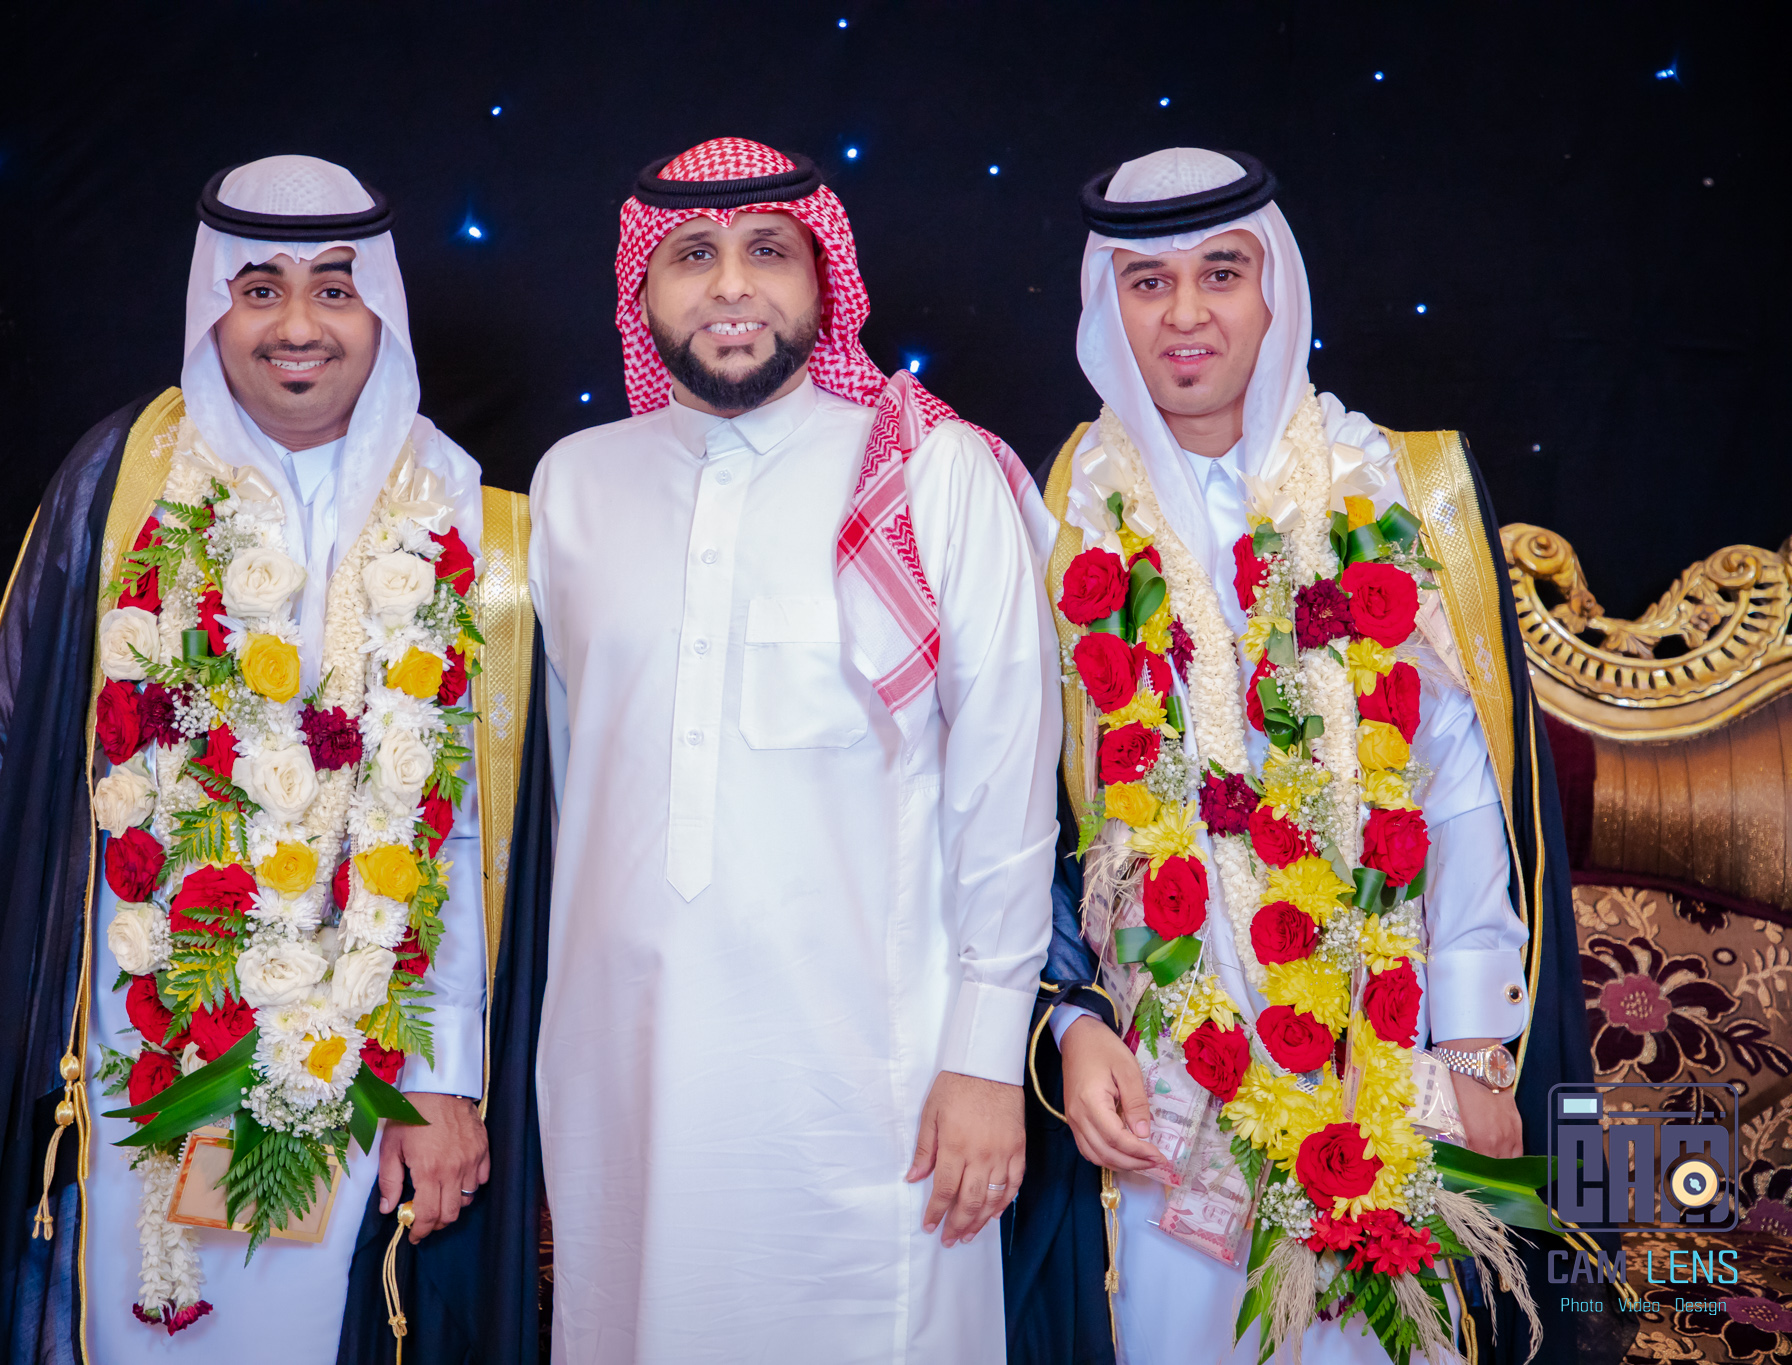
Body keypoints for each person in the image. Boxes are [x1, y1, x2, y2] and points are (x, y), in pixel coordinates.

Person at [0, 155, 552, 1364]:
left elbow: (460, 832)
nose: (298, 326)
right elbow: (12, 751)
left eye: (333, 288)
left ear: (379, 309)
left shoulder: (464, 511)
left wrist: (445, 1077)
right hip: (132, 1031)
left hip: (363, 1050)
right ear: (213, 306)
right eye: (260, 289)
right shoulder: (121, 481)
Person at [1028, 147, 1593, 1363]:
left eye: (1220, 272)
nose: (1184, 314)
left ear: (1273, 287)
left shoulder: (1394, 485)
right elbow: (1033, 816)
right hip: (1163, 1057)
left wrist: (1470, 1041)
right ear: (1105, 305)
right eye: (1146, 282)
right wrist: (1070, 1026)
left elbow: (1458, 790)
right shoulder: (1061, 513)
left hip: (1388, 1030)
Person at [525, 137, 1063, 1363]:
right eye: (691, 256)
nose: (731, 286)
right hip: (622, 1075)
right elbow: (563, 800)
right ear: (639, 291)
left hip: (872, 1085)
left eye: (768, 251)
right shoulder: (571, 488)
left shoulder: (928, 469)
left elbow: (1005, 785)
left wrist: (986, 1057)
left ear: (823, 280)